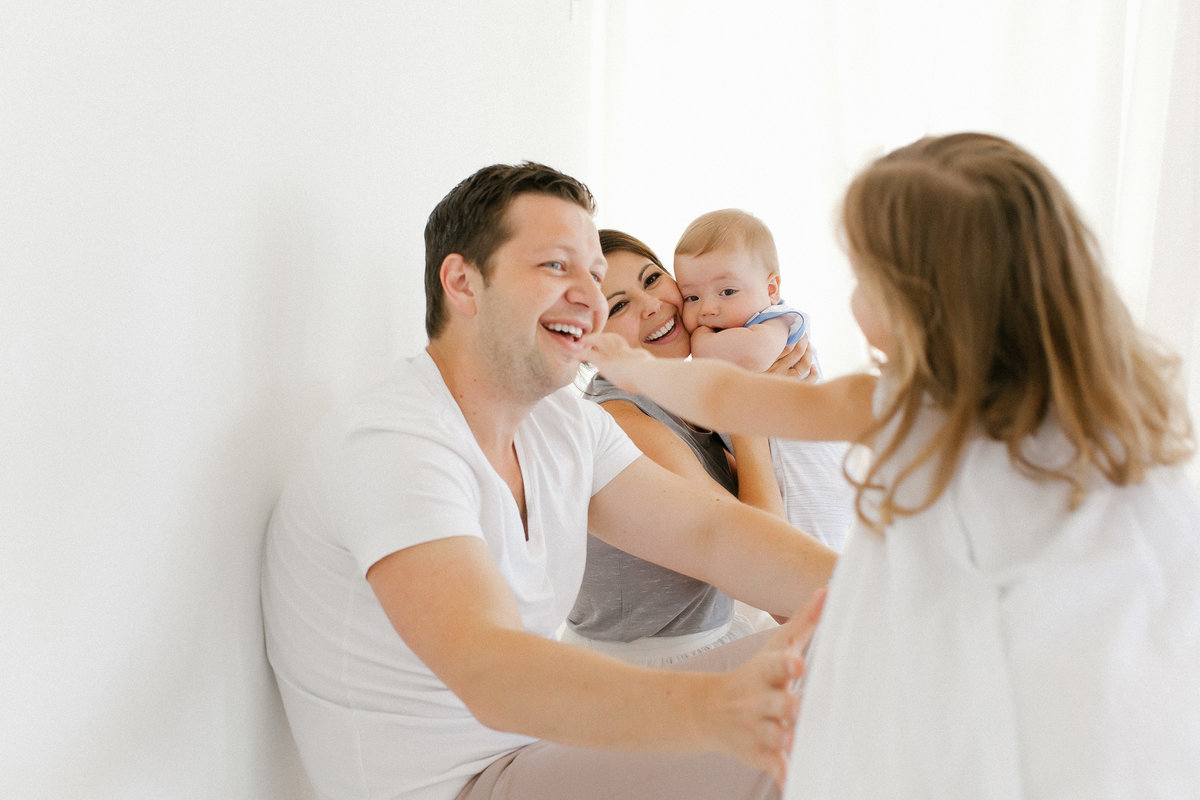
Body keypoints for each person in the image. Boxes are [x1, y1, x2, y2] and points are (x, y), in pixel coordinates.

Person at [586, 133, 1200, 798]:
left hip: (997, 664)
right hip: (1076, 668)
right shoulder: (1102, 406)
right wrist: (642, 372)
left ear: (926, 299)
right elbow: (729, 395)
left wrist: (641, 369)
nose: (850, 300)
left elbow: (731, 395)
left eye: (864, 280)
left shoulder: (899, 403)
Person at [260, 161, 837, 800]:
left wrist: (890, 591)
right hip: (465, 787)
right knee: (816, 703)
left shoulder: (561, 421)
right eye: (556, 267)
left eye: (594, 273)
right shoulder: (394, 444)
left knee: (845, 643)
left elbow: (711, 533)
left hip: (537, 754)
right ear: (463, 283)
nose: (590, 298)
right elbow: (490, 667)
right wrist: (716, 712)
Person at [562, 229, 808, 665]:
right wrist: (748, 411)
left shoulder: (681, 396)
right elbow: (766, 575)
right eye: (620, 305)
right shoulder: (620, 420)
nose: (653, 305)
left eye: (652, 279)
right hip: (645, 672)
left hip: (709, 640)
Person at [673, 209, 854, 550]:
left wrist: (700, 342)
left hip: (809, 479)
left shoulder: (776, 321)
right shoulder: (728, 335)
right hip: (775, 480)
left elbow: (752, 356)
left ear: (771, 289)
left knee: (814, 561)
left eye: (727, 291)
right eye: (692, 297)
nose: (708, 308)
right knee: (790, 560)